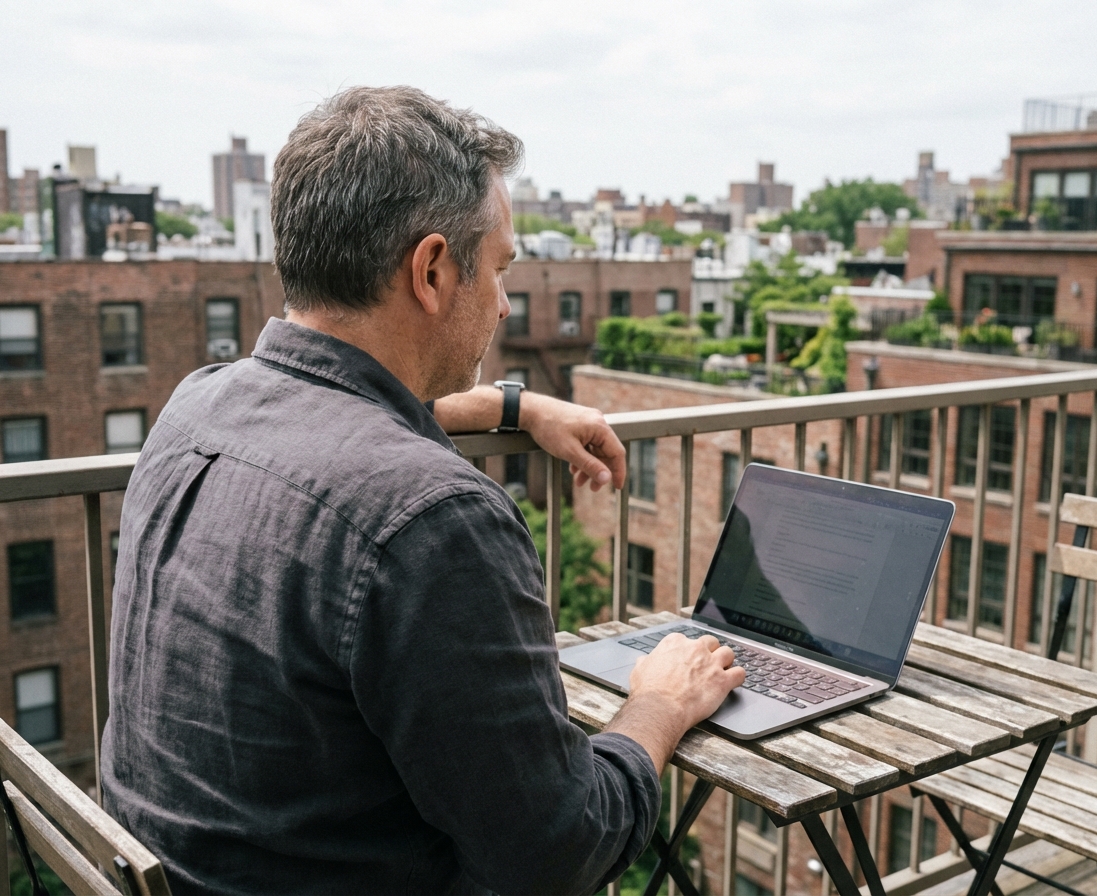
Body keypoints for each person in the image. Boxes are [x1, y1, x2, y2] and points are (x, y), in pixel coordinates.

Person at [101, 85, 744, 895]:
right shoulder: (432, 518)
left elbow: (333, 401)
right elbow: (557, 850)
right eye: (501, 271)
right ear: (434, 269)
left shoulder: (196, 404)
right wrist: (660, 704)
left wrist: (515, 406)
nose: (507, 303)